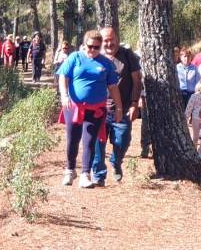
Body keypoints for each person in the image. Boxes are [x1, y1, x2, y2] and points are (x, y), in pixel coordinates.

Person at [57, 30, 123, 188]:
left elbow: (113, 87)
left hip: (96, 109)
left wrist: (119, 107)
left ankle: (85, 174)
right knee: (73, 139)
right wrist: (64, 96)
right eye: (90, 46)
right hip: (73, 106)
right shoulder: (75, 57)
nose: (92, 50)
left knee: (89, 141)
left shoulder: (106, 63)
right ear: (84, 45)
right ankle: (70, 169)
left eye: (96, 47)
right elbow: (63, 77)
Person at [91, 27, 142, 185]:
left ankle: (116, 161)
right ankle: (99, 176)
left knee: (122, 141)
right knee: (98, 144)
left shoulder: (127, 55)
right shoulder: (95, 56)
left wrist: (134, 103)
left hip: (123, 108)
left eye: (111, 40)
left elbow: (137, 81)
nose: (109, 43)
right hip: (99, 108)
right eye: (105, 40)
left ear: (117, 40)